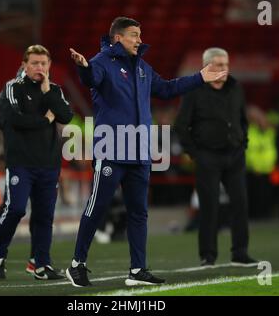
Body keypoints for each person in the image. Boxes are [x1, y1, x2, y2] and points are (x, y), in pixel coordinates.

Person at [66, 17, 227, 287]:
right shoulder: (101, 62)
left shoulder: (142, 67)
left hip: (139, 151)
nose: (140, 40)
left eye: (140, 34)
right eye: (134, 35)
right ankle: (77, 264)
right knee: (98, 207)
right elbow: (90, 78)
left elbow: (166, 89)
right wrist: (83, 67)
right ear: (118, 37)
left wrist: (199, 77)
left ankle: (137, 270)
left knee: (139, 212)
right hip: (111, 149)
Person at [0, 45, 73, 280]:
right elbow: (15, 119)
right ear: (25, 65)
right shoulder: (13, 87)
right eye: (35, 63)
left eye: (44, 64)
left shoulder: (54, 90)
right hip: (21, 162)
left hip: (49, 163)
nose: (40, 68)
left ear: (50, 66)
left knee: (45, 215)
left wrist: (47, 93)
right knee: (15, 209)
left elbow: (66, 116)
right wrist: (45, 120)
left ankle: (41, 265)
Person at [176, 47, 258, 267]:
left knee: (240, 204)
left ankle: (240, 253)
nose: (224, 69)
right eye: (219, 65)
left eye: (226, 64)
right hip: (207, 157)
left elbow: (242, 119)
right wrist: (195, 154)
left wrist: (244, 142)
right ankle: (208, 255)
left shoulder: (235, 88)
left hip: (235, 155)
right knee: (209, 206)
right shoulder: (194, 90)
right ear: (207, 66)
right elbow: (181, 125)